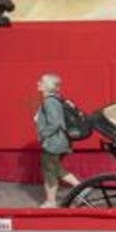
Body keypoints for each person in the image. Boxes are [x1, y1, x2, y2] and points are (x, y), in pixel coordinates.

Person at [34, 73, 80, 207]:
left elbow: (55, 123)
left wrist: (42, 134)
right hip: (60, 141)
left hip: (53, 143)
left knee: (49, 170)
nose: (37, 83)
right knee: (55, 169)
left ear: (47, 85)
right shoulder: (57, 99)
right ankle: (81, 188)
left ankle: (51, 201)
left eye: (40, 82)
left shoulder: (49, 101)